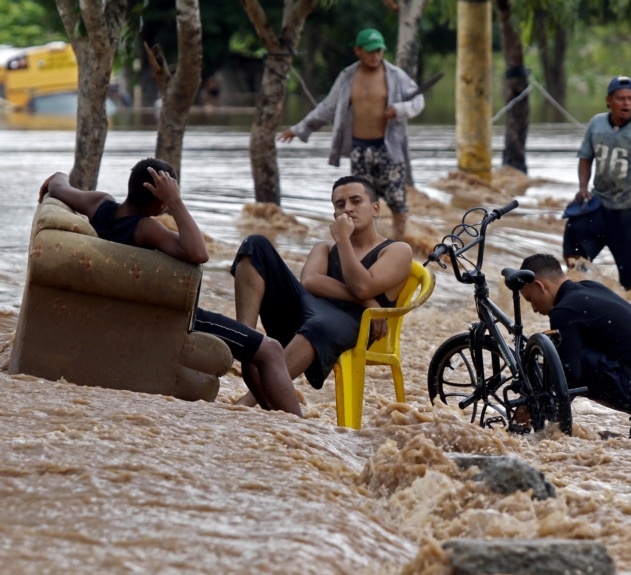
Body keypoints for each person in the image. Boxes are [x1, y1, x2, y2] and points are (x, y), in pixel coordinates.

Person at [38, 159, 301, 416]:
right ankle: (300, 428)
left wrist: (57, 175)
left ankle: (274, 419)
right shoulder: (144, 228)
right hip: (170, 319)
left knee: (254, 349)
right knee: (270, 349)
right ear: (159, 197)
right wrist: (175, 202)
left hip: (130, 313)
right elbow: (198, 252)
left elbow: (59, 186)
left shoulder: (99, 204)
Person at [231, 175, 413, 403]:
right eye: (340, 205)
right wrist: (366, 300)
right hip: (308, 311)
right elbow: (310, 281)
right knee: (255, 245)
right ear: (335, 214)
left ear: (375, 208)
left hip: (353, 325)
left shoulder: (397, 250)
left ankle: (250, 401)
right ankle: (245, 342)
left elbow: (363, 285)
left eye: (356, 201)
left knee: (320, 324)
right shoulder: (325, 248)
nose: (348, 209)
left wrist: (343, 241)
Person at [279, 28, 424, 239]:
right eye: (370, 51)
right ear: (358, 51)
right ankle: (367, 245)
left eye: (379, 51)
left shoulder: (395, 75)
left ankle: (402, 244)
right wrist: (299, 129)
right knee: (360, 202)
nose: (375, 56)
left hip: (389, 150)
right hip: (359, 150)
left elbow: (418, 101)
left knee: (398, 202)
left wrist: (400, 109)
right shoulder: (347, 77)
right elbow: (327, 107)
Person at [518, 254, 631, 438]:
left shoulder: (564, 311)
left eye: (529, 299)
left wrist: (538, 413)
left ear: (539, 286)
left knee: (563, 363)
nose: (534, 308)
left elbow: (569, 375)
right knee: (571, 355)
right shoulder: (590, 287)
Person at [565, 75, 631, 298]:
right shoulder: (597, 123)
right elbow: (585, 157)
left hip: (629, 209)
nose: (626, 103)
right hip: (599, 204)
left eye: (630, 98)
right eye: (620, 99)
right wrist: (583, 187)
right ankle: (582, 292)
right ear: (609, 100)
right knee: (574, 237)